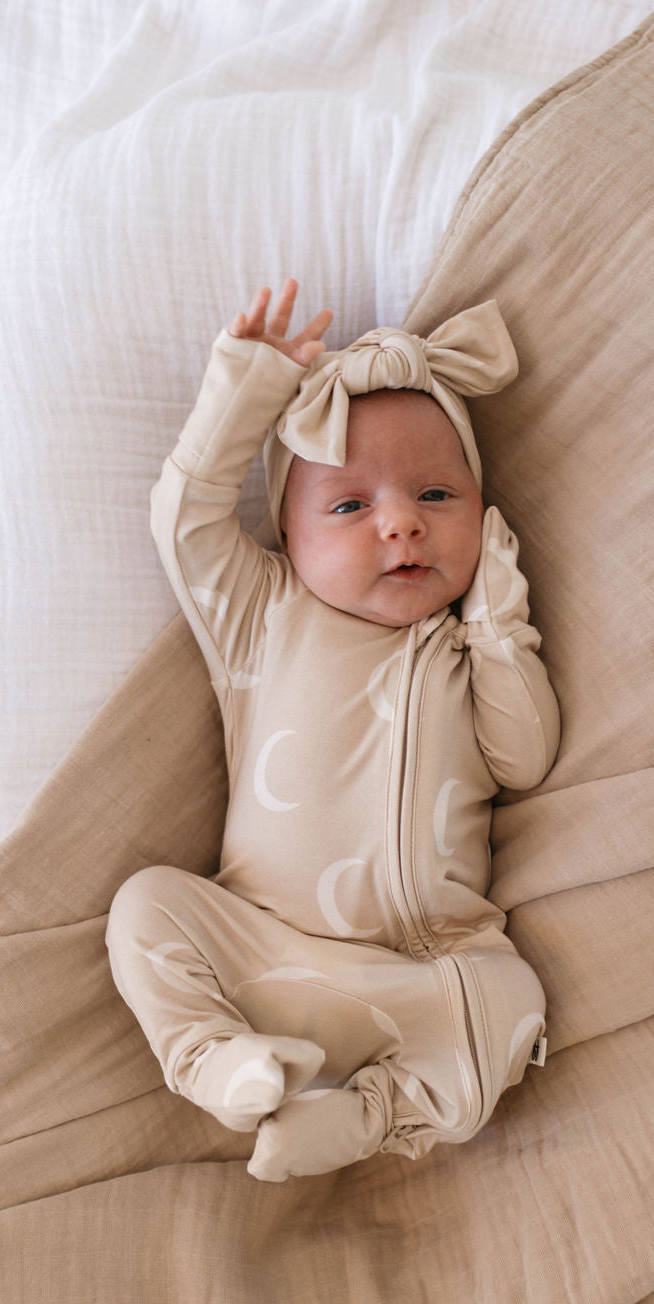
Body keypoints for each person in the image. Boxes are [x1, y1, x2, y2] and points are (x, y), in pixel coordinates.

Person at [105, 279, 561, 1182]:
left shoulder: (465, 647)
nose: (400, 522)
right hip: (263, 948)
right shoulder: (263, 616)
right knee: (145, 907)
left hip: (425, 969)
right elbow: (185, 517)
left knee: (512, 1002)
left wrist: (501, 628)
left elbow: (528, 758)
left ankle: (360, 1117)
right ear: (286, 534)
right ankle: (218, 1062)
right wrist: (249, 384)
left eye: (436, 493)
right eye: (350, 506)